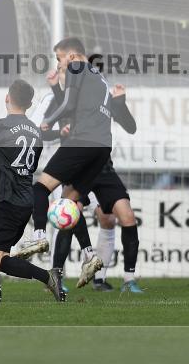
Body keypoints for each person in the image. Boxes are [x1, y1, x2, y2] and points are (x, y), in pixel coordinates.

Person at [14, 37, 111, 288]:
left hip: (83, 142)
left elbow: (66, 106)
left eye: (59, 58)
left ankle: (38, 237)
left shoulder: (78, 68)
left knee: (39, 188)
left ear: (71, 55)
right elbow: (75, 107)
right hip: (101, 147)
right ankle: (90, 257)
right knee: (69, 202)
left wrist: (48, 122)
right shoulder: (99, 77)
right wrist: (57, 88)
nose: (59, 63)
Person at [0, 79, 64, 302]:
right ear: (29, 104)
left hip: (8, 201)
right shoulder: (36, 133)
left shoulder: (2, 126)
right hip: (25, 200)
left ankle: (47, 277)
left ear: (7, 97)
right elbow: (32, 164)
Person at [51, 83, 143, 293]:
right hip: (78, 169)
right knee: (67, 216)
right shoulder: (69, 100)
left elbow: (130, 127)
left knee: (125, 217)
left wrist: (121, 103)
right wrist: (63, 131)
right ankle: (56, 277)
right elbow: (53, 123)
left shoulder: (104, 101)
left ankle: (127, 280)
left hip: (103, 169)